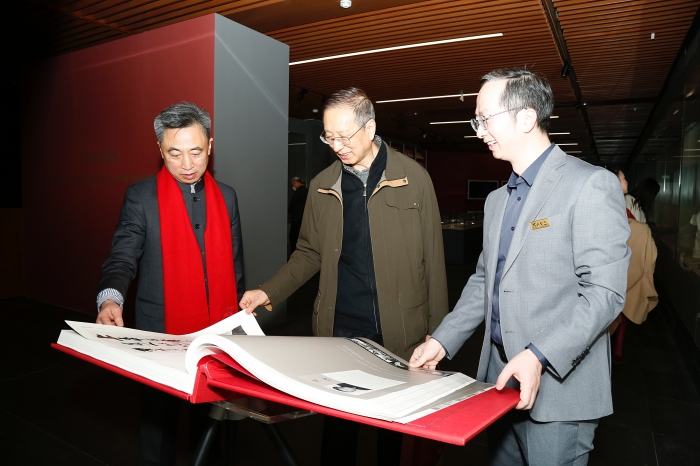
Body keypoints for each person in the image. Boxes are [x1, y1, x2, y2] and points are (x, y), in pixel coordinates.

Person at [409, 68, 631, 466]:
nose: (479, 131)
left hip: (559, 389)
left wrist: (538, 355)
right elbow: (485, 281)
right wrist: (443, 340)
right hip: (499, 380)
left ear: (526, 117)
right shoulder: (497, 200)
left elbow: (605, 293)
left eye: (485, 118)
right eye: (476, 121)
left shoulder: (590, 185)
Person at [239, 87, 448, 466]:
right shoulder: (322, 186)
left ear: (370, 128)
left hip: (398, 331)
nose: (337, 146)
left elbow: (433, 259)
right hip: (339, 330)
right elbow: (308, 253)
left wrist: (439, 333)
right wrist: (268, 291)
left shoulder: (414, 179)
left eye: (344, 136)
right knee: (337, 430)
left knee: (391, 430)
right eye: (329, 137)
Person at [95, 102, 245, 466]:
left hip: (215, 335)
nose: (187, 164)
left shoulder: (227, 196)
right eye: (175, 153)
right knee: (158, 429)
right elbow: (122, 256)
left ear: (210, 145)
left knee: (209, 428)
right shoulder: (141, 196)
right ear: (160, 149)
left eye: (196, 151)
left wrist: (239, 323)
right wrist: (111, 298)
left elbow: (236, 267)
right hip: (160, 333)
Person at [607, 167, 659, 362]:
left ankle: (615, 348)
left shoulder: (627, 202)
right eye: (624, 178)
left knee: (623, 307)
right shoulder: (624, 201)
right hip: (624, 255)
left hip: (628, 254)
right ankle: (613, 349)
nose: (627, 181)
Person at [288, 176, 307, 252]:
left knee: (293, 237)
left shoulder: (298, 192)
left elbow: (293, 204)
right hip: (305, 219)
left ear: (294, 183)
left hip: (297, 219)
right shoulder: (307, 191)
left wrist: (289, 212)